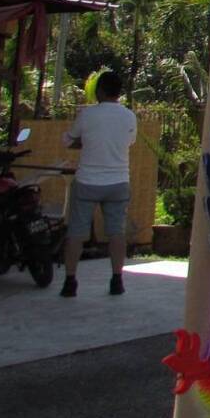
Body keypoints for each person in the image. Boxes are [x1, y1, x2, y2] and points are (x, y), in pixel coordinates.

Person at [60, 70, 136, 296]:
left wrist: (84, 142)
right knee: (116, 233)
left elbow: (68, 140)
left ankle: (70, 281)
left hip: (87, 180)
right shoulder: (129, 116)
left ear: (100, 91)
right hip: (118, 180)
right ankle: (117, 280)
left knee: (76, 232)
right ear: (118, 92)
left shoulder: (88, 115)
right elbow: (129, 142)